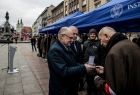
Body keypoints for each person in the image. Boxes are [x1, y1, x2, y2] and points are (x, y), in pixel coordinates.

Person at [47, 27, 95, 95]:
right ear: (62, 36)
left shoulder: (66, 46)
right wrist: (84, 68)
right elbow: (63, 71)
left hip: (69, 88)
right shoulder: (55, 50)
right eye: (70, 38)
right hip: (61, 90)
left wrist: (85, 65)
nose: (72, 40)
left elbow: (73, 63)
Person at [94, 26, 140, 95]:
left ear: (106, 36)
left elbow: (113, 91)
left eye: (100, 39)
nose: (100, 43)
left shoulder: (114, 52)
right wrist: (106, 71)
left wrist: (98, 80)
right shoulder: (134, 45)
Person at [69, 26, 84, 91]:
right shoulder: (67, 45)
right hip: (71, 71)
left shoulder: (78, 43)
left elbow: (80, 55)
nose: (75, 36)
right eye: (73, 33)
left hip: (79, 68)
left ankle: (80, 87)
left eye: (76, 34)